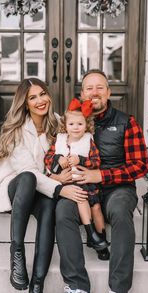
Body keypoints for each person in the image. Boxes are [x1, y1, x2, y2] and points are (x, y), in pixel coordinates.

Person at [0, 78, 88, 293]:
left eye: (42, 94)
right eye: (32, 97)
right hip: (17, 187)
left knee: (49, 207)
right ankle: (17, 251)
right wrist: (59, 185)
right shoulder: (16, 130)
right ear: (25, 103)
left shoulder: (59, 123)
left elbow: (69, 151)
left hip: (43, 189)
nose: (40, 100)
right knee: (30, 178)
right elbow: (27, 170)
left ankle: (37, 284)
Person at [55, 69, 148, 293]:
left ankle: (118, 288)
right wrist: (58, 175)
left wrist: (101, 175)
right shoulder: (71, 122)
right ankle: (77, 286)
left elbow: (140, 165)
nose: (94, 92)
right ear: (82, 93)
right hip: (81, 188)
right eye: (89, 88)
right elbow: (54, 153)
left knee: (119, 210)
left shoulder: (127, 122)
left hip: (117, 188)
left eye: (99, 87)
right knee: (63, 210)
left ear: (108, 92)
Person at [44, 98, 109, 252]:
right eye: (71, 124)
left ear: (86, 125)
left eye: (80, 124)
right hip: (68, 182)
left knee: (97, 208)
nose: (75, 127)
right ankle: (90, 233)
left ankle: (101, 241)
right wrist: (57, 159)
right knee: (81, 198)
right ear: (65, 125)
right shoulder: (59, 140)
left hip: (86, 181)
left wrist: (80, 160)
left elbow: (96, 161)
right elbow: (47, 159)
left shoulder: (88, 140)